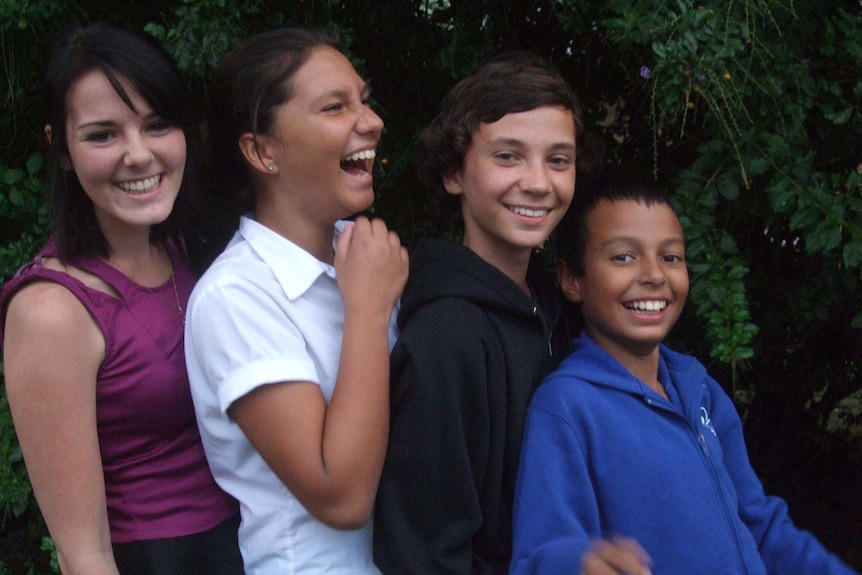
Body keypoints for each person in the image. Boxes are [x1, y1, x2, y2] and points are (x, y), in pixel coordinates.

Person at [510, 172, 859, 574]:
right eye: (624, 256)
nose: (655, 275)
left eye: (671, 257)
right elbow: (541, 553)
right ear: (572, 280)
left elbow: (760, 528)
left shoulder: (700, 391)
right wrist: (577, 563)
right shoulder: (567, 408)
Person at [0, 22, 242, 575]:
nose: (139, 154)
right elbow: (83, 552)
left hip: (253, 547)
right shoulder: (51, 310)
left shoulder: (191, 252)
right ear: (60, 150)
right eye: (102, 135)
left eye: (157, 125)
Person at [184, 28, 408, 574]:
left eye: (364, 98)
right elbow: (341, 497)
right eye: (335, 106)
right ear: (262, 151)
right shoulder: (236, 296)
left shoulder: (357, 257)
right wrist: (368, 311)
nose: (371, 120)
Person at [373, 51, 582, 574]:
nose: (538, 182)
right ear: (453, 173)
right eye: (508, 156)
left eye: (558, 160)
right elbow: (424, 555)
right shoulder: (446, 338)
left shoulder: (552, 309)